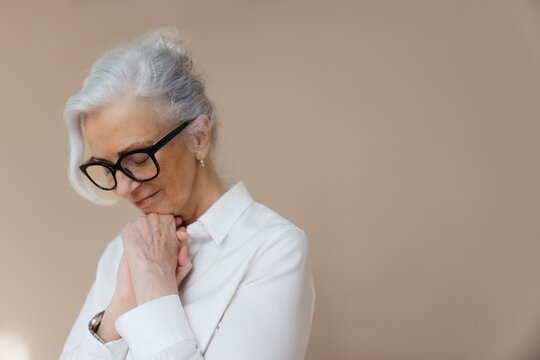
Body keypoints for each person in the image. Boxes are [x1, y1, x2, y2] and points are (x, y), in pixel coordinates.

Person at [59, 28, 315, 360]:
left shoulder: (273, 249)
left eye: (137, 158)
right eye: (107, 168)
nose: (123, 188)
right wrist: (121, 304)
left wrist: (155, 287)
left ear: (198, 137)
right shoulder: (122, 252)